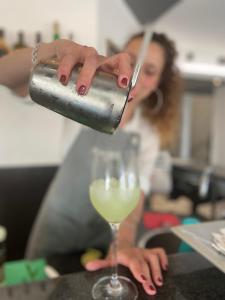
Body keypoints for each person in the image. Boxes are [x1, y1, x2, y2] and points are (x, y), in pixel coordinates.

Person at [26, 31, 181, 296]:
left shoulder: (148, 133)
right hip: (59, 223)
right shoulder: (81, 95)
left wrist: (124, 242)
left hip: (107, 229)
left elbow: (137, 190)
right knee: (43, 290)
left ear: (159, 84)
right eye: (132, 60)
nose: (136, 75)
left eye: (150, 71)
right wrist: (49, 56)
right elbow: (29, 83)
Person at [0, 38, 134, 98]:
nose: (130, 71)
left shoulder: (147, 136)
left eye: (150, 71)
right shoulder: (87, 80)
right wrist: (52, 49)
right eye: (131, 62)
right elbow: (2, 73)